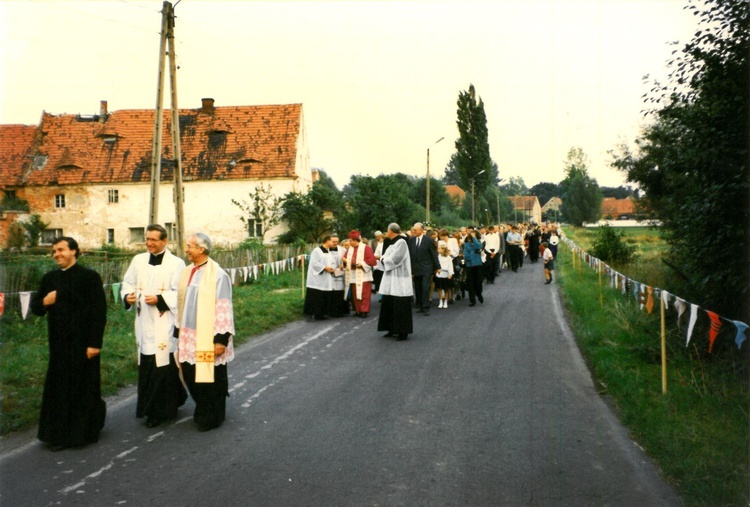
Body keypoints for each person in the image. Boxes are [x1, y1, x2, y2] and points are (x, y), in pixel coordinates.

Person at [30, 237, 107, 451]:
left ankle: (83, 433)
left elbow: (98, 312)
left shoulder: (89, 277)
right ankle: (59, 434)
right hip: (59, 344)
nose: (57, 254)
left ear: (74, 251)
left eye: (61, 249)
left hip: (84, 344)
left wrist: (94, 343)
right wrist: (46, 301)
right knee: (60, 388)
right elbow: (36, 307)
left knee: (84, 386)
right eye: (54, 251)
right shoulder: (49, 278)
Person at [121, 224, 187, 428]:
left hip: (164, 320)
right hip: (144, 322)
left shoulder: (176, 264)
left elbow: (181, 293)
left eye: (153, 239)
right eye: (147, 239)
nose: (148, 243)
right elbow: (127, 283)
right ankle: (160, 404)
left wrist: (159, 298)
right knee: (148, 366)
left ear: (164, 241)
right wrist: (128, 297)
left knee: (163, 366)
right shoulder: (138, 260)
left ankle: (160, 411)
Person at [176, 233, 235, 432]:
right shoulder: (187, 272)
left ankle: (213, 415)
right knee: (192, 374)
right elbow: (181, 302)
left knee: (210, 377)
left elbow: (223, 307)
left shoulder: (218, 275)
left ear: (201, 249)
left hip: (208, 337)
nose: (187, 249)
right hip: (189, 335)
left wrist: (220, 340)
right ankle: (202, 408)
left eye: (190, 246)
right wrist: (178, 330)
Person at [377, 223, 414, 340]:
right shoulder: (391, 242)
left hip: (400, 278)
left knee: (400, 304)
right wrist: (384, 259)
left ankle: (403, 331)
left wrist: (384, 259)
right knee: (389, 302)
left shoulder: (402, 242)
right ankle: (391, 329)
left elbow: (395, 259)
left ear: (390, 231)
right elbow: (384, 256)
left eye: (387, 231)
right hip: (390, 277)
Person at [343, 230, 378, 318]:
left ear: (355, 240)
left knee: (364, 294)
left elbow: (372, 260)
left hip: (363, 275)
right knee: (355, 294)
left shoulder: (366, 248)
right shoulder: (350, 249)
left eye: (351, 240)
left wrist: (361, 264)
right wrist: (344, 260)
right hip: (354, 274)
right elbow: (346, 259)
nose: (349, 242)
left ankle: (364, 311)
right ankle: (358, 310)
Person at [408, 222, 440, 316]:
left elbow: (433, 254)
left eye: (415, 229)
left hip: (426, 267)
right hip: (416, 268)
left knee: (425, 287)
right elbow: (409, 254)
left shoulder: (429, 240)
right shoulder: (411, 240)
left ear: (421, 230)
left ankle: (426, 307)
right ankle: (421, 305)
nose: (413, 231)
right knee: (418, 288)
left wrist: (437, 267)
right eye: (413, 229)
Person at [304, 235, 336, 320]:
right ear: (327, 241)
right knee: (314, 295)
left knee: (323, 296)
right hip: (316, 278)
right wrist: (325, 267)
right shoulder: (317, 251)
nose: (334, 243)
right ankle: (309, 313)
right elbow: (314, 263)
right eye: (332, 241)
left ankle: (320, 314)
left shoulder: (329, 252)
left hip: (326, 278)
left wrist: (332, 268)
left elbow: (332, 262)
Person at [328, 235, 350, 317]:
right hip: (329, 273)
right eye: (333, 241)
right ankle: (330, 311)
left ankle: (340, 311)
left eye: (337, 242)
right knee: (330, 292)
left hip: (340, 273)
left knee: (339, 293)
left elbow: (348, 260)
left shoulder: (343, 250)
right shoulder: (326, 250)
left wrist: (343, 264)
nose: (335, 243)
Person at [463, 230, 485, 306]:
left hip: (478, 265)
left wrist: (474, 238)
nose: (470, 240)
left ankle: (479, 294)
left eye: (472, 238)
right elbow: (466, 255)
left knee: (479, 282)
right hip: (470, 265)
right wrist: (474, 253)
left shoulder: (478, 243)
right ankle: (472, 300)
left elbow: (479, 246)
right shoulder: (466, 245)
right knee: (471, 283)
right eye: (470, 238)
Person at [434, 241, 454, 309]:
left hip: (446, 274)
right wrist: (436, 270)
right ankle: (440, 301)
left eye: (439, 249)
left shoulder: (448, 257)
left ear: (443, 250)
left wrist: (450, 273)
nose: (438, 250)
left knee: (446, 289)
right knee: (439, 288)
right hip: (439, 274)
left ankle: (445, 301)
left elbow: (450, 266)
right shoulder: (437, 257)